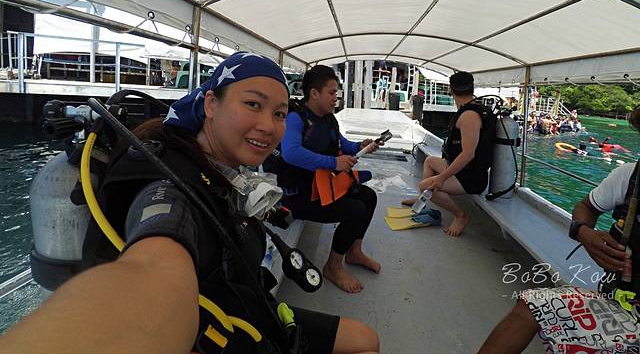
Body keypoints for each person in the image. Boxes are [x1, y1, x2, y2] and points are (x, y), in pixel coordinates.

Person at [0, 53, 379, 354]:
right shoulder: (170, 186)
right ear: (211, 104)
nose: (269, 125)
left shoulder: (214, 168)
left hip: (249, 308)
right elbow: (150, 269)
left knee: (365, 339)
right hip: (222, 330)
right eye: (253, 104)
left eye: (279, 113)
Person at [478, 105, 640, 354]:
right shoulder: (629, 177)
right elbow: (586, 207)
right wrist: (583, 232)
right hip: (622, 302)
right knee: (531, 305)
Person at [263, 65, 381, 294]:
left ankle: (354, 252)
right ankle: (333, 267)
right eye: (332, 92)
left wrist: (362, 146)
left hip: (321, 188)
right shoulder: (296, 118)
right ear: (314, 93)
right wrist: (334, 163)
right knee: (355, 210)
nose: (336, 97)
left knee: (369, 196)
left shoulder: (328, 119)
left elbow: (342, 144)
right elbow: (291, 153)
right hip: (296, 196)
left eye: (336, 92)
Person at [402, 71, 494, 237]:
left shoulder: (469, 116)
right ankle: (421, 199)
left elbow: (468, 154)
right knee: (430, 161)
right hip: (463, 169)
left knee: (426, 185)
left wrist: (441, 178)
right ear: (472, 88)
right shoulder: (469, 110)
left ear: (451, 90)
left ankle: (460, 215)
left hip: (471, 177)